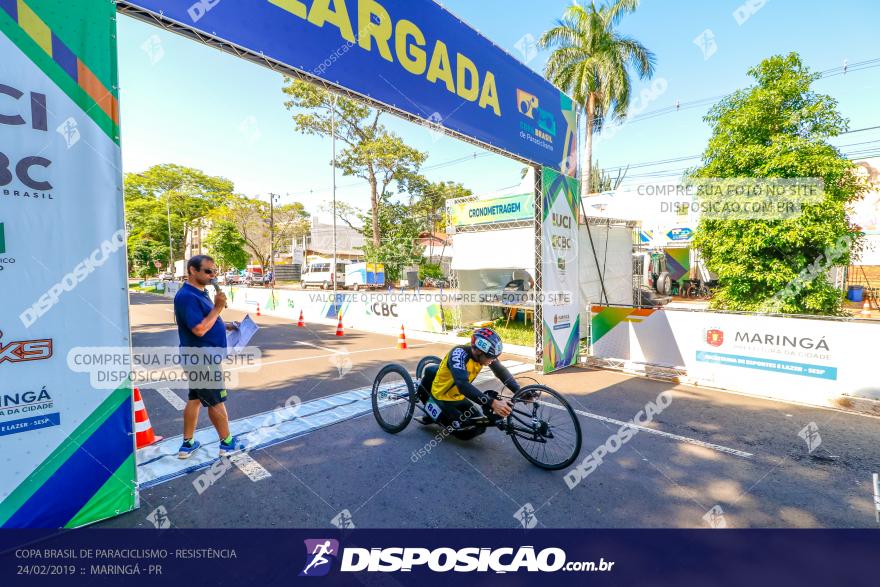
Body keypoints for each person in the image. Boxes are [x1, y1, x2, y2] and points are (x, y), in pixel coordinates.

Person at [173, 255, 244, 459]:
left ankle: (188, 444)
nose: (212, 275)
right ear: (192, 271)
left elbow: (207, 320)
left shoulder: (200, 293)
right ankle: (227, 443)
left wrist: (225, 324)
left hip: (199, 358)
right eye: (207, 271)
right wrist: (218, 307)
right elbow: (199, 329)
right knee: (216, 402)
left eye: (214, 271)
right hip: (202, 359)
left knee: (195, 399)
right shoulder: (187, 296)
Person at [417, 327, 520, 439]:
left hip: (458, 397)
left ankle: (442, 417)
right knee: (462, 426)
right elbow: (462, 385)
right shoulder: (459, 354)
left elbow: (500, 371)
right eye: (490, 357)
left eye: (495, 357)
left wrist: (519, 391)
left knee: (480, 426)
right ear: (477, 351)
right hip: (441, 396)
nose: (493, 360)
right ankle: (435, 416)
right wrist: (492, 402)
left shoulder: (481, 352)